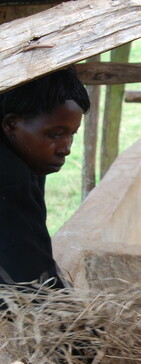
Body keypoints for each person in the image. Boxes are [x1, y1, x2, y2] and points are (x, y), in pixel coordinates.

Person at [0, 67, 90, 288]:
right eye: (56, 135)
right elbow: (33, 284)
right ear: (12, 124)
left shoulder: (25, 157)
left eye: (71, 135)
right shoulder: (11, 180)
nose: (66, 149)